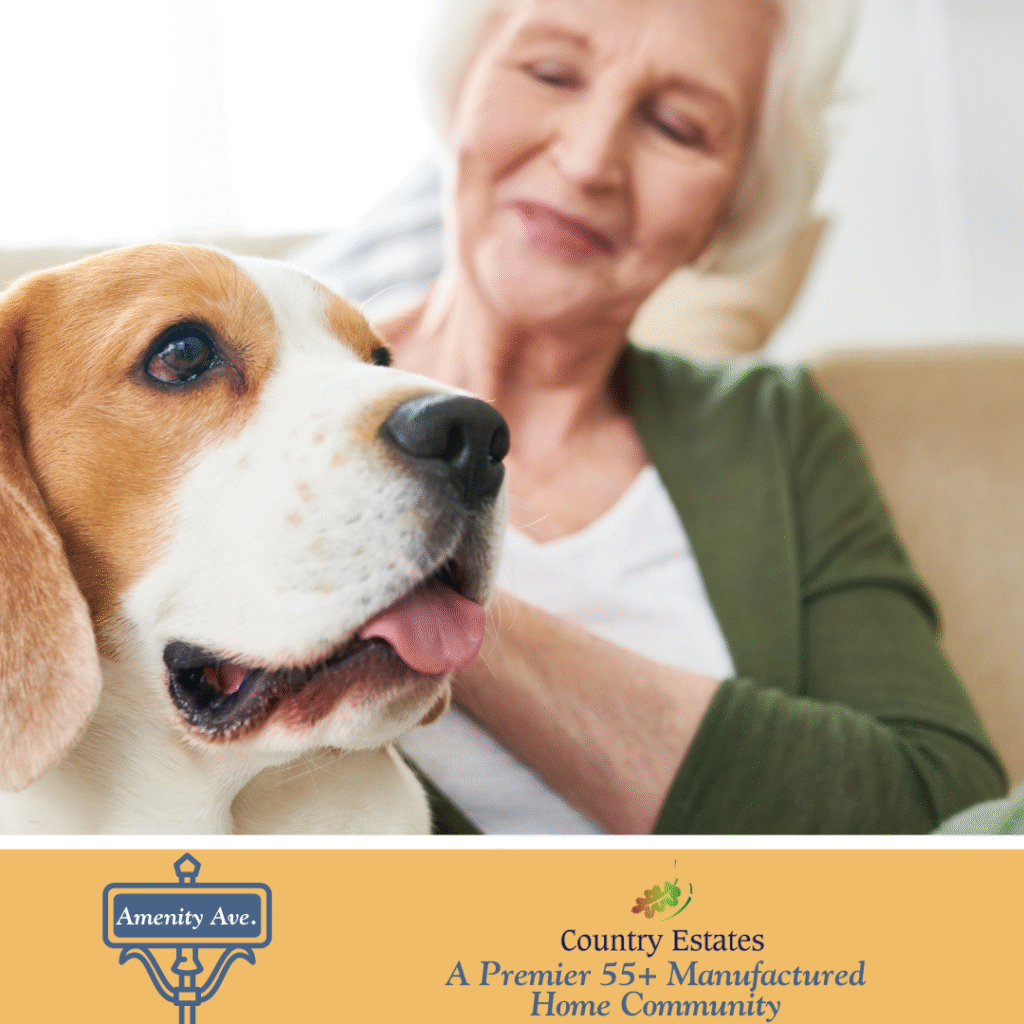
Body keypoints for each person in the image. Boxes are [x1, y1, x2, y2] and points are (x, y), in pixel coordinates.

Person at [299, 0, 1007, 833]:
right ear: (464, 83)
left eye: (677, 126)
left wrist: (423, 596)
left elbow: (942, 809)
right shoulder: (265, 390)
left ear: (738, 200)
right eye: (550, 73)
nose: (590, 158)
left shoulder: (771, 427)